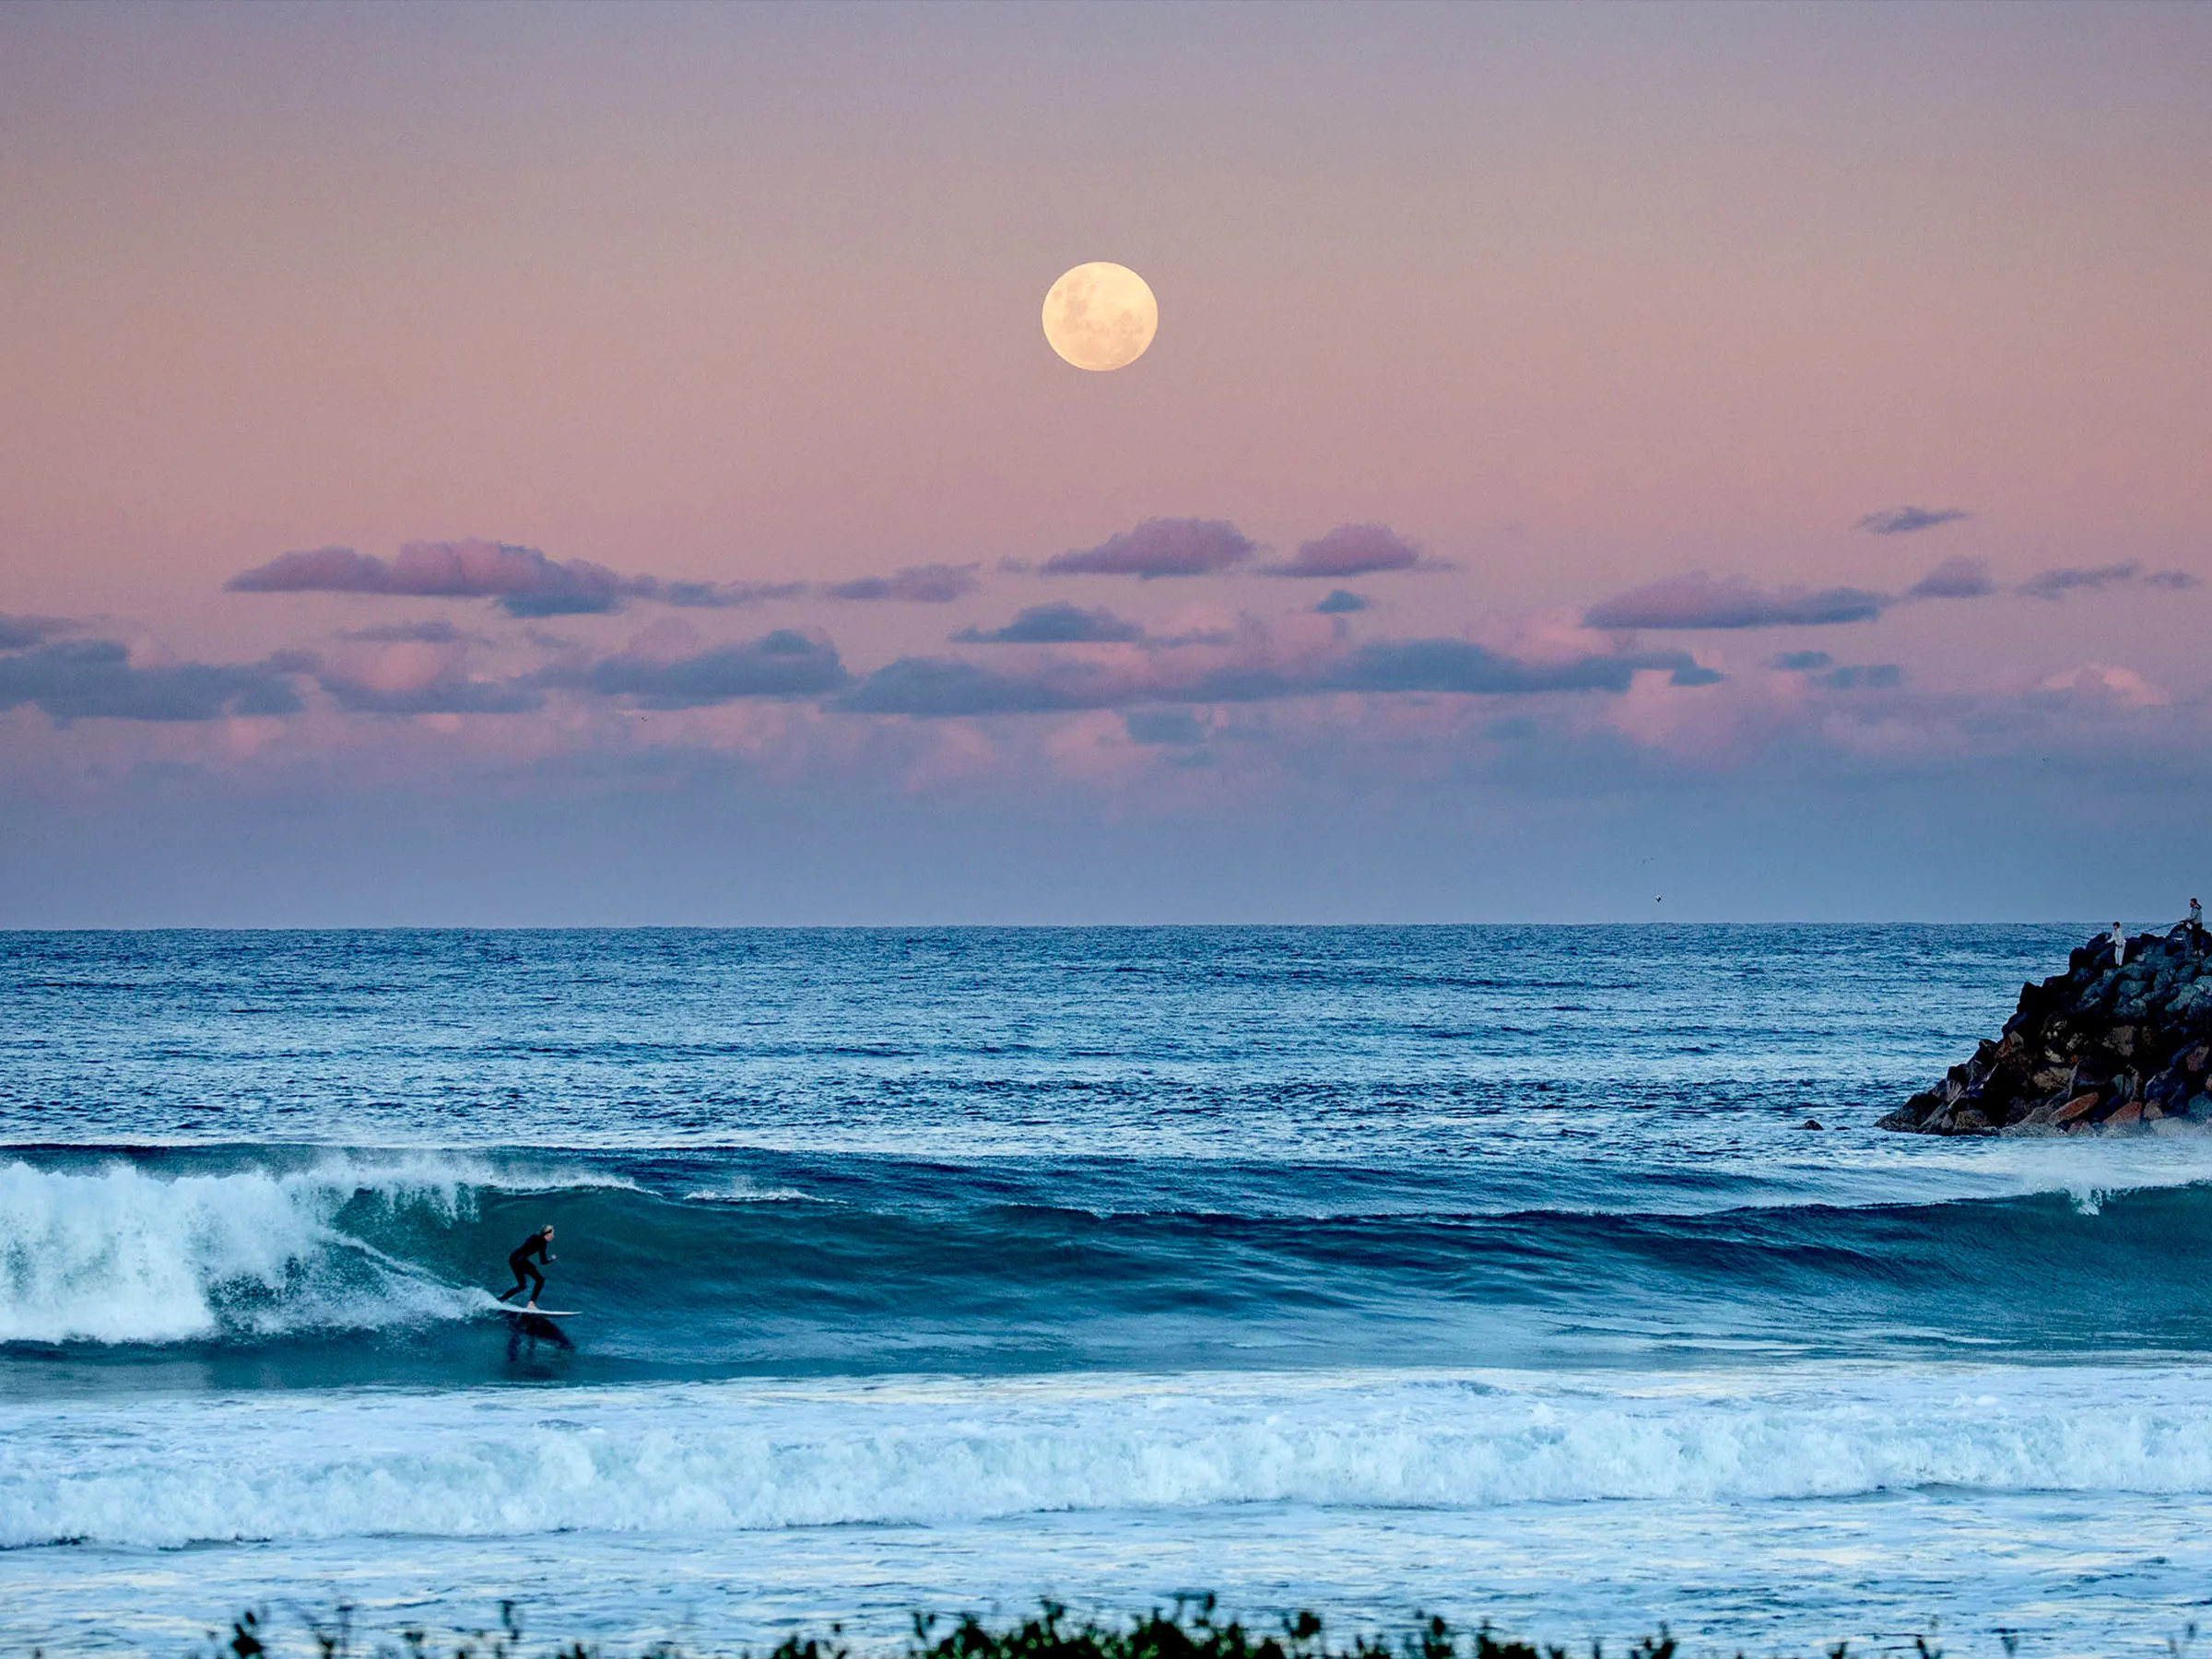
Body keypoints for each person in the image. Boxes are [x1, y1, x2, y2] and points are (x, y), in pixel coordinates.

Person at [500, 1224, 556, 1309]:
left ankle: (501, 1299)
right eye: (552, 1234)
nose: (553, 1236)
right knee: (540, 1280)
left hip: (514, 1258)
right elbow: (543, 1261)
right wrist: (551, 1259)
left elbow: (527, 1244)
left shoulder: (535, 1237)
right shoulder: (542, 1242)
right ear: (547, 1234)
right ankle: (531, 1304)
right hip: (519, 1260)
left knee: (522, 1285)